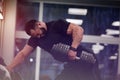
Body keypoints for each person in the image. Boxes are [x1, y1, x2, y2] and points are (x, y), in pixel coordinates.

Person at [6, 19, 101, 80]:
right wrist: (9, 68)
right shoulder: (36, 39)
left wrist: (73, 48)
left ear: (39, 24)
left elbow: (79, 30)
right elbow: (22, 54)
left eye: (38, 34)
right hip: (72, 64)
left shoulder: (56, 25)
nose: (38, 37)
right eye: (36, 36)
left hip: (86, 59)